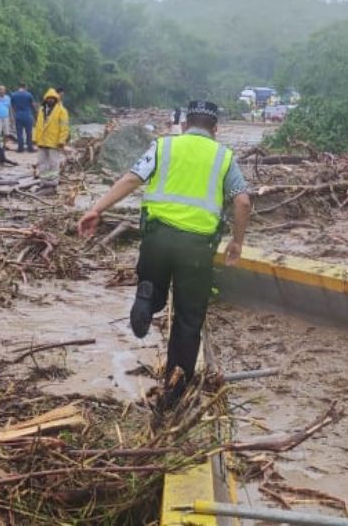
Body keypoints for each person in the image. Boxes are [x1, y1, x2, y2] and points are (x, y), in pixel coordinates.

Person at [78, 100, 251, 412]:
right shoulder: (224, 157)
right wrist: (237, 242)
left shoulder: (162, 147)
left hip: (156, 239)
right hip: (197, 249)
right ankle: (174, 392)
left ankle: (148, 295)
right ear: (215, 130)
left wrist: (96, 209)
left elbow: (131, 178)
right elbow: (242, 202)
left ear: (184, 126)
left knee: (154, 286)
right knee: (188, 319)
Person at [32, 87, 69, 181]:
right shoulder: (41, 110)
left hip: (54, 142)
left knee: (54, 163)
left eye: (52, 98)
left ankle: (53, 181)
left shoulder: (61, 111)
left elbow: (64, 127)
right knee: (42, 162)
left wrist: (62, 140)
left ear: (55, 99)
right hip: (42, 141)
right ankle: (44, 181)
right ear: (46, 99)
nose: (50, 100)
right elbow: (38, 124)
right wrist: (35, 138)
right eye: (49, 98)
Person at [9, 83, 36, 152]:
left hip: (18, 115)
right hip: (27, 115)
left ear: (18, 87)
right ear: (25, 87)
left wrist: (12, 116)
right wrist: (35, 113)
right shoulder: (29, 94)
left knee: (19, 132)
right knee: (29, 132)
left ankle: (20, 148)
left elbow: (12, 106)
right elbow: (33, 105)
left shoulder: (14, 95)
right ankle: (30, 147)